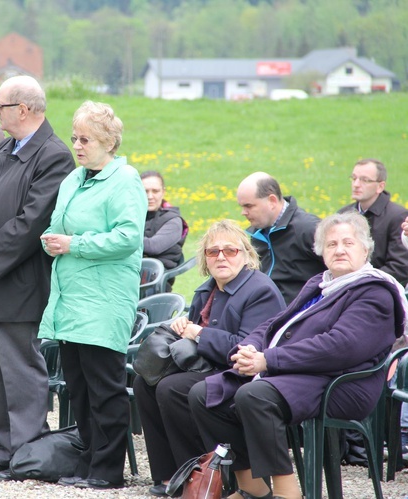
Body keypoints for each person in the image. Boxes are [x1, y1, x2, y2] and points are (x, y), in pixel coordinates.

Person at [188, 212, 407, 499]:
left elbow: (340, 346)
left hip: (341, 382)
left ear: (365, 249)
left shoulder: (374, 291)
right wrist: (250, 348)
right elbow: (275, 323)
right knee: (204, 394)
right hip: (300, 374)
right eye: (331, 244)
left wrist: (270, 360)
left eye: (348, 243)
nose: (339, 249)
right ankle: (252, 488)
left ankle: (287, 492)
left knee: (254, 396)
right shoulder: (321, 283)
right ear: (321, 252)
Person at [0, 75, 74, 479]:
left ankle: (26, 451)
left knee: (20, 368)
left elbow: (31, 221)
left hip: (17, 281)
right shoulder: (5, 147)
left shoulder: (53, 155)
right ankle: (3, 449)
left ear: (22, 109)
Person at [37, 101, 146, 489]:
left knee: (105, 388)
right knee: (78, 388)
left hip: (103, 300)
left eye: (86, 139)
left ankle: (108, 470)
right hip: (70, 299)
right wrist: (51, 239)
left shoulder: (125, 180)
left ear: (108, 141)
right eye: (74, 138)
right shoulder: (74, 178)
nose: (78, 146)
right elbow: (57, 223)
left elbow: (128, 236)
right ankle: (88, 462)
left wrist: (74, 244)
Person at [133, 220, 285, 497]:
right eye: (213, 252)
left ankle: (199, 475)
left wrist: (200, 334)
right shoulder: (208, 288)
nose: (221, 257)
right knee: (145, 382)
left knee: (172, 388)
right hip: (209, 365)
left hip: (242, 374)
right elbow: (195, 332)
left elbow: (247, 348)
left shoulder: (259, 290)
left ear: (246, 255)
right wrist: (184, 328)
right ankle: (168, 475)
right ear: (204, 258)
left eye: (230, 250)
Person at [237, 172, 326, 304]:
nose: (243, 212)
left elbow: (342, 272)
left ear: (272, 201)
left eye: (249, 206)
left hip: (302, 317)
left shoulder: (309, 229)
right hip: (264, 313)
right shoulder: (257, 234)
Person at [338, 159, 408, 286]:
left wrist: (362, 283)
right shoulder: (343, 215)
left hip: (381, 289)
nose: (356, 184)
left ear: (380, 186)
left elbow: (400, 266)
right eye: (354, 178)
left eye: (365, 180)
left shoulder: (397, 216)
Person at [141, 170, 188, 272]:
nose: (150, 197)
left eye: (155, 191)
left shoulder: (173, 221)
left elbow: (153, 247)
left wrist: (121, 237)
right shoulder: (132, 216)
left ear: (163, 192)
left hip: (153, 281)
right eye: (145, 191)